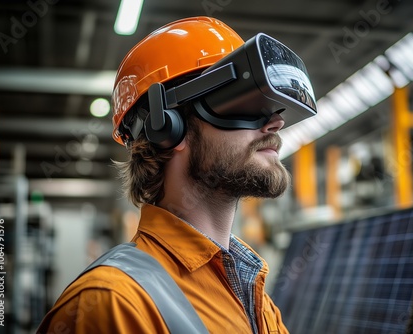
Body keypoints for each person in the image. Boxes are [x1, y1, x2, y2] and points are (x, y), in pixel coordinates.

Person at [37, 16, 317, 334]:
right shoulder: (113, 303)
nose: (275, 123)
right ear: (167, 127)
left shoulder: (253, 295)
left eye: (270, 106)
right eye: (244, 102)